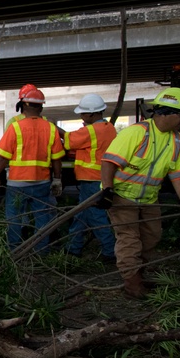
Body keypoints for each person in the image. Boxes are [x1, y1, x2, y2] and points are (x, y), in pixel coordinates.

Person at [98, 88, 180, 299]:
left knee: (151, 237)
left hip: (149, 198)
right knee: (129, 240)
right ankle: (132, 285)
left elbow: (179, 173)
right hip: (122, 196)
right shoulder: (136, 132)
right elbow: (109, 162)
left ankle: (138, 276)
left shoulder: (177, 141)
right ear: (165, 113)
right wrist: (107, 190)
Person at [0, 85, 65, 253]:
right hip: (42, 182)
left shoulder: (15, 127)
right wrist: (57, 179)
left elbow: (3, 157)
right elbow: (57, 159)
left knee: (15, 219)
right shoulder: (51, 128)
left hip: (17, 184)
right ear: (41, 107)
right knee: (42, 218)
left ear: (23, 105)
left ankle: (15, 252)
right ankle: (41, 252)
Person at [63, 94, 117, 261]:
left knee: (96, 216)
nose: (81, 117)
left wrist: (53, 128)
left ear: (92, 114)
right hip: (99, 178)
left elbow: (69, 142)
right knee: (81, 215)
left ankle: (110, 252)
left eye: (83, 114)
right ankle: (73, 248)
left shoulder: (92, 130)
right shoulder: (109, 128)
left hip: (92, 179)